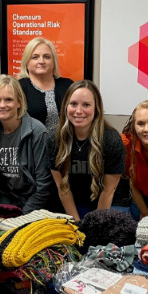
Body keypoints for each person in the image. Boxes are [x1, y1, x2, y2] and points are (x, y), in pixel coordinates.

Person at [48, 80, 125, 222]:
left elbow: (109, 191)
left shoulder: (111, 140)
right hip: (75, 203)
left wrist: (94, 226)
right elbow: (62, 187)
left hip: (110, 202)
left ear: (96, 109)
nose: (78, 111)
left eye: (86, 105)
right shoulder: (55, 138)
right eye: (73, 104)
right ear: (66, 106)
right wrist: (76, 223)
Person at [0, 74, 52, 213]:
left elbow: (44, 184)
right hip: (7, 207)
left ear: (19, 102)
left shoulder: (37, 131)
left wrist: (23, 215)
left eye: (9, 100)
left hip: (36, 208)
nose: (2, 105)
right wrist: (9, 211)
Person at [18, 38, 73, 131]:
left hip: (65, 143)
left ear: (53, 62)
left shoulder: (68, 85)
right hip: (33, 144)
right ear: (27, 62)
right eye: (35, 57)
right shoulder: (18, 87)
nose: (41, 61)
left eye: (47, 57)